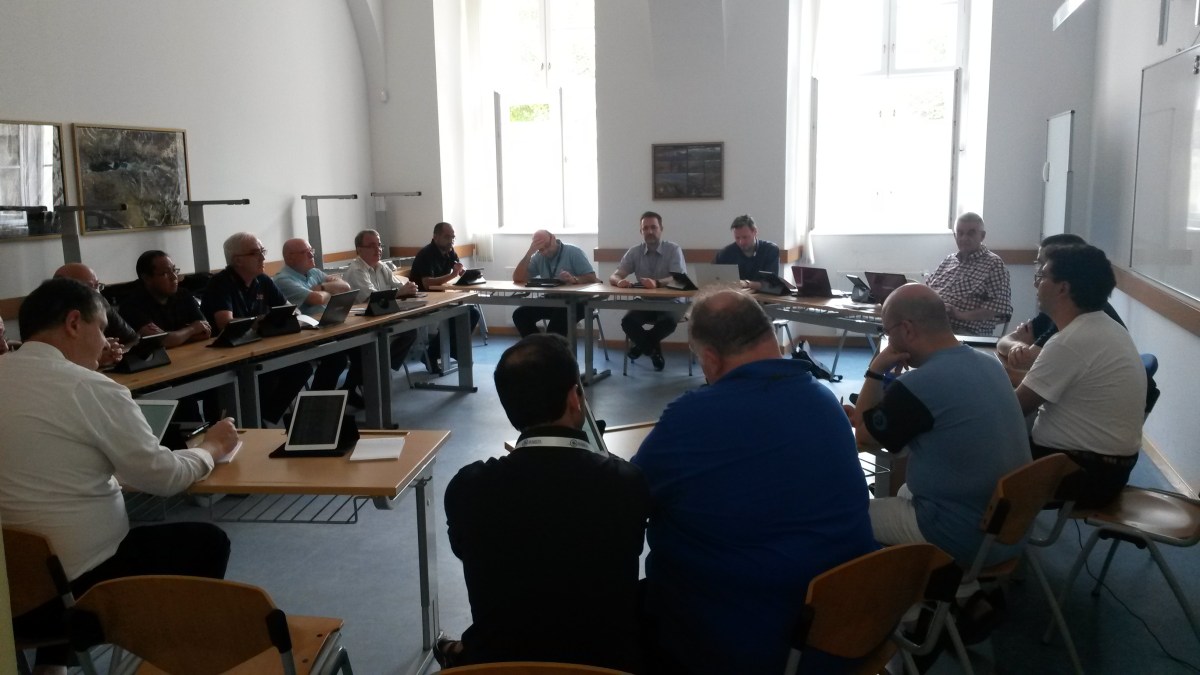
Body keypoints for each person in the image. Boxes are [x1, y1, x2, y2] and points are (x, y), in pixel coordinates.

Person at [0, 278, 238, 673]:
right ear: (74, 323)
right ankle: (179, 659)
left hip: (10, 594)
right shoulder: (88, 387)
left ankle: (52, 666)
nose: (105, 343)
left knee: (49, 536)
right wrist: (211, 447)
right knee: (207, 542)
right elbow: (165, 479)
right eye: (101, 329)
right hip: (70, 600)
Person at [632, 289, 876, 675]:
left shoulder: (692, 418)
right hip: (852, 626)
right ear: (770, 336)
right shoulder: (825, 401)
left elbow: (630, 497)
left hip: (749, 642)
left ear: (711, 358)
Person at [438, 334, 649, 671]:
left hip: (498, 665)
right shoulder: (626, 483)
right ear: (575, 398)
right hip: (607, 665)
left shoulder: (467, 487)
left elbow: (470, 551)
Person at [844, 283, 1031, 567]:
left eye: (887, 331)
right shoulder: (990, 363)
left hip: (959, 536)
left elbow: (864, 437)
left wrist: (876, 370)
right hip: (1010, 531)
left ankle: (910, 583)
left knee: (842, 516)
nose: (888, 340)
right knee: (904, 488)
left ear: (907, 329)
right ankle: (956, 585)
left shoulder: (917, 384)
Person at [1015, 244, 1146, 508]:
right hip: (1108, 467)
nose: (1036, 284)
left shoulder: (1070, 341)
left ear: (1062, 288)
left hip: (1081, 471)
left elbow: (1014, 408)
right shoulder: (1105, 326)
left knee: (971, 445)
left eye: (1042, 276)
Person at [201, 233, 313, 424]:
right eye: (255, 253)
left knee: (301, 368)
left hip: (257, 348)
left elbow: (291, 309)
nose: (262, 257)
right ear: (237, 260)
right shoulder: (220, 282)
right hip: (225, 355)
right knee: (265, 376)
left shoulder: (262, 280)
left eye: (263, 251)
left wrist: (281, 316)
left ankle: (265, 418)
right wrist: (259, 321)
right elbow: (225, 323)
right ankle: (251, 421)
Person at [997, 233, 1125, 379]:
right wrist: (1016, 346)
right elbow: (1004, 342)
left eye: (1045, 268)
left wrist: (1006, 368)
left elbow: (1033, 364)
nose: (1037, 279)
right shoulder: (1061, 309)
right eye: (1039, 264)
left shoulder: (1077, 320)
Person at [340, 229, 420, 398]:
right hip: (359, 323)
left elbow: (398, 286)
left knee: (410, 330)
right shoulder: (356, 270)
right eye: (371, 246)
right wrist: (400, 293)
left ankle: (379, 367)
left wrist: (409, 288)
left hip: (381, 317)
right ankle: (369, 374)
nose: (378, 249)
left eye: (379, 245)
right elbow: (371, 297)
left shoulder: (381, 266)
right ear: (359, 250)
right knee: (375, 342)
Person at [608, 211, 686, 371]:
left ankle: (640, 347)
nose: (649, 231)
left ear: (661, 229)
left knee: (669, 323)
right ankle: (652, 351)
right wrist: (619, 281)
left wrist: (657, 283)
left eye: (653, 227)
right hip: (646, 301)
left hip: (672, 301)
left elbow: (679, 278)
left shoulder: (673, 249)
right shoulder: (634, 251)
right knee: (628, 322)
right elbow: (614, 275)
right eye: (645, 228)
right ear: (641, 231)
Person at [924, 212, 1012, 335]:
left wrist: (959, 315)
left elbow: (996, 308)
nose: (964, 238)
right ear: (955, 236)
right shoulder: (949, 260)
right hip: (933, 323)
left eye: (971, 233)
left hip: (965, 331)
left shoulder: (994, 264)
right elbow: (927, 290)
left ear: (982, 236)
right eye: (960, 233)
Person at [408, 222, 480, 367]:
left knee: (471, 313)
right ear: (435, 237)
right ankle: (437, 352)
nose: (451, 241)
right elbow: (428, 284)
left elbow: (457, 273)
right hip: (423, 298)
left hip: (443, 296)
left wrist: (463, 273)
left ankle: (447, 350)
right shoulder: (426, 254)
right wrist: (453, 274)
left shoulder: (450, 252)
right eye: (447, 237)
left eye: (453, 237)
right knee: (457, 314)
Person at [510, 229, 598, 337]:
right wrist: (529, 253)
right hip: (551, 299)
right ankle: (538, 345)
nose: (545, 251)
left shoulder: (573, 252)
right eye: (540, 249)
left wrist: (574, 279)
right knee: (520, 315)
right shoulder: (538, 256)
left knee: (555, 328)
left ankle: (548, 346)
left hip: (577, 301)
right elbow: (518, 278)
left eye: (547, 245)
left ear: (554, 238)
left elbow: (592, 278)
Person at [118, 250, 212, 348]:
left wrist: (177, 338)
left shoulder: (183, 294)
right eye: (165, 273)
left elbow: (205, 330)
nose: (174, 277)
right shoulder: (132, 306)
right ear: (147, 278)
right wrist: (192, 329)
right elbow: (162, 341)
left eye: (174, 270)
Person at [53, 262, 137, 365]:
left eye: (97, 286)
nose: (97, 293)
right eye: (89, 287)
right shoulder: (46, 315)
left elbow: (132, 340)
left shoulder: (100, 304)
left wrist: (115, 352)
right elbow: (49, 361)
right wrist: (94, 356)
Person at [274, 238, 354, 316]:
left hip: (329, 318)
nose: (311, 255)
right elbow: (318, 299)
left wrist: (322, 287)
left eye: (311, 250)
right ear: (290, 258)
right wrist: (333, 292)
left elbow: (346, 287)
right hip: (309, 324)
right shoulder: (282, 280)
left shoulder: (314, 272)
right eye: (305, 252)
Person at [712, 214, 780, 291]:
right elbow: (714, 278)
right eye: (737, 238)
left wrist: (746, 284)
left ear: (755, 232)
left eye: (745, 237)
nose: (741, 242)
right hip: (735, 296)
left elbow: (771, 284)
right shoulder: (725, 253)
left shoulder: (770, 250)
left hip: (764, 297)